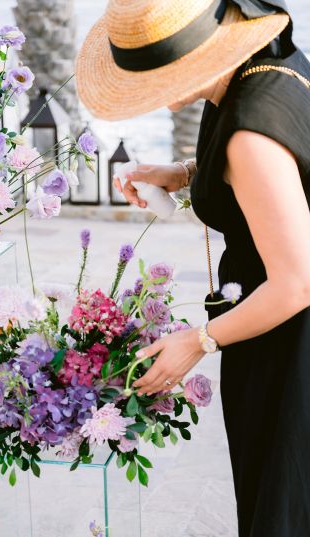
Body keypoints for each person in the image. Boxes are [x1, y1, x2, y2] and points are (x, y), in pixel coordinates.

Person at [76, 1, 310, 536]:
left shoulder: (251, 135)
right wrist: (185, 172)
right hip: (270, 325)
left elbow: (298, 283)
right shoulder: (265, 64)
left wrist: (198, 341)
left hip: (287, 341)